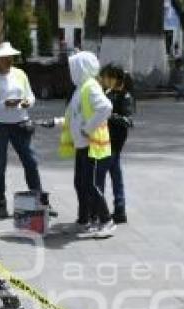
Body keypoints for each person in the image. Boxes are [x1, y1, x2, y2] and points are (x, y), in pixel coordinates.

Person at [0, 42, 49, 219]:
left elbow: (31, 96)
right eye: (5, 58)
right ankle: (0, 202)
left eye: (11, 57)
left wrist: (27, 102)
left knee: (31, 162)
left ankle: (39, 202)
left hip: (20, 123)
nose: (9, 60)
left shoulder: (20, 74)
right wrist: (3, 104)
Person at [56, 51, 115, 238]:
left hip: (91, 144)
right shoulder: (81, 88)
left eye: (73, 67)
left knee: (89, 184)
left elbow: (105, 107)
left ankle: (106, 220)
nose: (70, 71)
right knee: (80, 183)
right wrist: (58, 122)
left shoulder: (90, 87)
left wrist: (87, 129)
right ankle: (84, 220)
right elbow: (75, 115)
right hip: (82, 145)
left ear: (80, 68)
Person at [99, 64, 134, 224]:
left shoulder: (125, 96)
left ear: (116, 78)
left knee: (101, 176)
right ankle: (119, 209)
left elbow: (127, 120)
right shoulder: (109, 93)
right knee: (115, 174)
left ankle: (103, 210)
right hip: (107, 139)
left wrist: (110, 116)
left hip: (114, 141)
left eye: (108, 77)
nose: (105, 79)